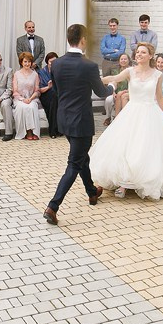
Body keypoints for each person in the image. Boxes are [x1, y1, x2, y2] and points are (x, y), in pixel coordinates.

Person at [90, 43, 163, 200]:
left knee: (146, 149)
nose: (139, 54)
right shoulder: (130, 71)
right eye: (137, 52)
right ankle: (123, 183)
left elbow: (160, 97)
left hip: (150, 113)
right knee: (126, 146)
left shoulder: (157, 74)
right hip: (131, 112)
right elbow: (114, 78)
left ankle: (141, 181)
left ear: (150, 56)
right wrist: (94, 80)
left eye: (143, 52)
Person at [43, 24, 113, 225]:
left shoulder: (56, 64)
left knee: (82, 157)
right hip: (81, 121)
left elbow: (56, 90)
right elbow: (101, 92)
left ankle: (92, 192)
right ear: (83, 39)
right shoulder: (89, 66)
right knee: (74, 163)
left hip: (64, 119)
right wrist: (112, 86)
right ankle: (53, 206)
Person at [12, 52, 43, 140]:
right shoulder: (17, 74)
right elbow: (15, 91)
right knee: (22, 107)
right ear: (21, 62)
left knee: (32, 107)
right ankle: (27, 132)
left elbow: (37, 90)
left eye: (29, 62)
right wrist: (23, 99)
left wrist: (30, 98)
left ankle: (34, 131)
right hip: (19, 99)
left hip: (32, 98)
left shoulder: (35, 74)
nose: (27, 64)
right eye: (25, 61)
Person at [38, 52, 60, 138]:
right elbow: (40, 89)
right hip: (45, 95)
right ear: (47, 62)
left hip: (57, 96)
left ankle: (53, 130)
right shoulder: (42, 72)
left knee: (54, 98)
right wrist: (48, 86)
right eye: (51, 62)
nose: (53, 63)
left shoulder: (60, 70)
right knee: (53, 96)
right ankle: (55, 130)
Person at [107, 53, 131, 125]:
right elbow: (112, 82)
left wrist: (124, 91)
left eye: (125, 59)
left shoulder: (131, 70)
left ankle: (118, 118)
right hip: (116, 93)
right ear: (119, 61)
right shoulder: (115, 71)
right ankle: (108, 117)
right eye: (122, 59)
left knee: (121, 94)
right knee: (108, 99)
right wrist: (113, 92)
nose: (123, 61)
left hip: (128, 91)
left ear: (129, 60)